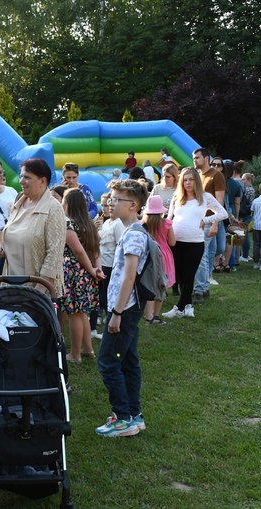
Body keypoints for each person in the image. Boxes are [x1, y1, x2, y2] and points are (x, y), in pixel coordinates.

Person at [95, 178, 147, 437]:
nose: (111, 203)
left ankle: (123, 418)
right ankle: (134, 414)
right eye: (111, 198)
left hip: (125, 308)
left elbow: (129, 277)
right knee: (127, 360)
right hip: (126, 306)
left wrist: (116, 313)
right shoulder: (129, 230)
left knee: (107, 362)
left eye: (117, 199)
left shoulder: (135, 234)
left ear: (133, 205)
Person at [163, 167, 227, 318]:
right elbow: (169, 218)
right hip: (176, 241)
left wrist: (206, 220)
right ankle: (188, 306)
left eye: (191, 179)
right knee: (180, 275)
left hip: (195, 242)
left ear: (196, 181)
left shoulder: (205, 197)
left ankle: (178, 308)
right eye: (185, 180)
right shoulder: (177, 197)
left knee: (189, 274)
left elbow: (222, 213)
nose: (188, 183)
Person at [0, 158, 66, 295]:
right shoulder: (19, 201)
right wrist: (3, 247)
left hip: (37, 291)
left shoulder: (54, 209)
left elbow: (54, 254)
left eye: (27, 177)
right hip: (11, 285)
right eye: (21, 176)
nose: (21, 181)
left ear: (43, 181)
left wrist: (39, 290)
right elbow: (14, 233)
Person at [61, 188, 103, 363]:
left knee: (75, 314)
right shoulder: (89, 224)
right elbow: (95, 250)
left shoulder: (69, 224)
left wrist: (93, 270)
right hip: (87, 272)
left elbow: (77, 251)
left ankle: (75, 354)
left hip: (74, 272)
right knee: (82, 312)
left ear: (68, 204)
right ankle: (88, 349)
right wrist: (96, 269)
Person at [192, 151, 226, 303]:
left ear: (206, 158)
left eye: (197, 157)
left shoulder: (216, 175)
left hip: (207, 221)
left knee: (200, 254)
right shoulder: (197, 175)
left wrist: (215, 224)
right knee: (204, 254)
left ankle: (200, 289)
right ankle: (204, 287)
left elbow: (220, 203)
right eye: (193, 158)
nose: (195, 160)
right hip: (197, 221)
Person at [94, 191, 125, 337]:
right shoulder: (106, 222)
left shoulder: (118, 224)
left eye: (111, 205)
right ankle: (102, 314)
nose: (108, 208)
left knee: (107, 293)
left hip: (111, 265)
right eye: (105, 205)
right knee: (101, 292)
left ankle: (110, 315)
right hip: (102, 263)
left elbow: (120, 246)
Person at [142, 196, 175, 325]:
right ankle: (156, 315)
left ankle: (148, 316)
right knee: (161, 285)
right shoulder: (167, 223)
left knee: (150, 285)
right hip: (164, 256)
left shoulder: (143, 224)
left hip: (149, 254)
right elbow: (172, 242)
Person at [238, 172, 256, 262]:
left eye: (243, 179)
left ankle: (245, 255)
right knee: (245, 233)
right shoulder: (251, 189)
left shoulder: (248, 189)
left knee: (244, 235)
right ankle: (244, 254)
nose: (242, 180)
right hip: (248, 214)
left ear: (249, 180)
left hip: (245, 214)